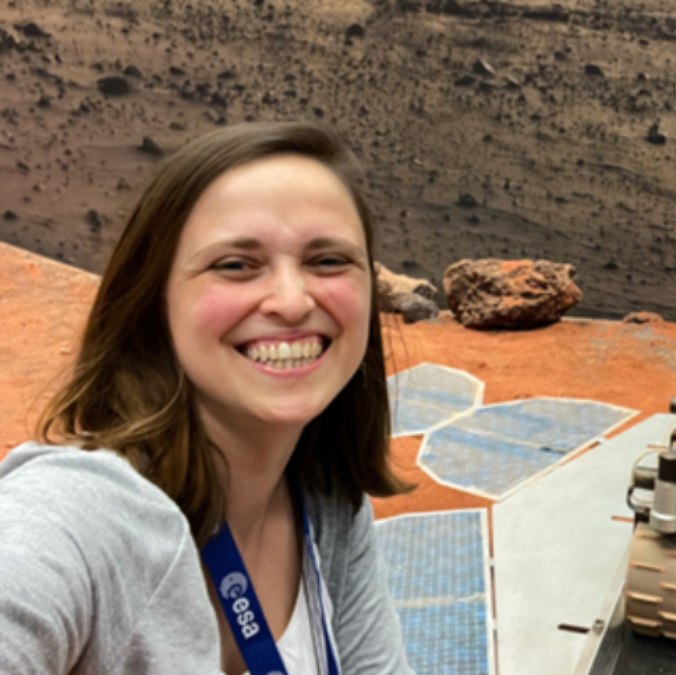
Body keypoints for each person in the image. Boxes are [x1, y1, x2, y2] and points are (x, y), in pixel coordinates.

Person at [0, 121, 415, 674]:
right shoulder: (83, 515)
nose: (291, 301)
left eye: (328, 261)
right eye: (236, 265)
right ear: (154, 301)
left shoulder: (326, 504)